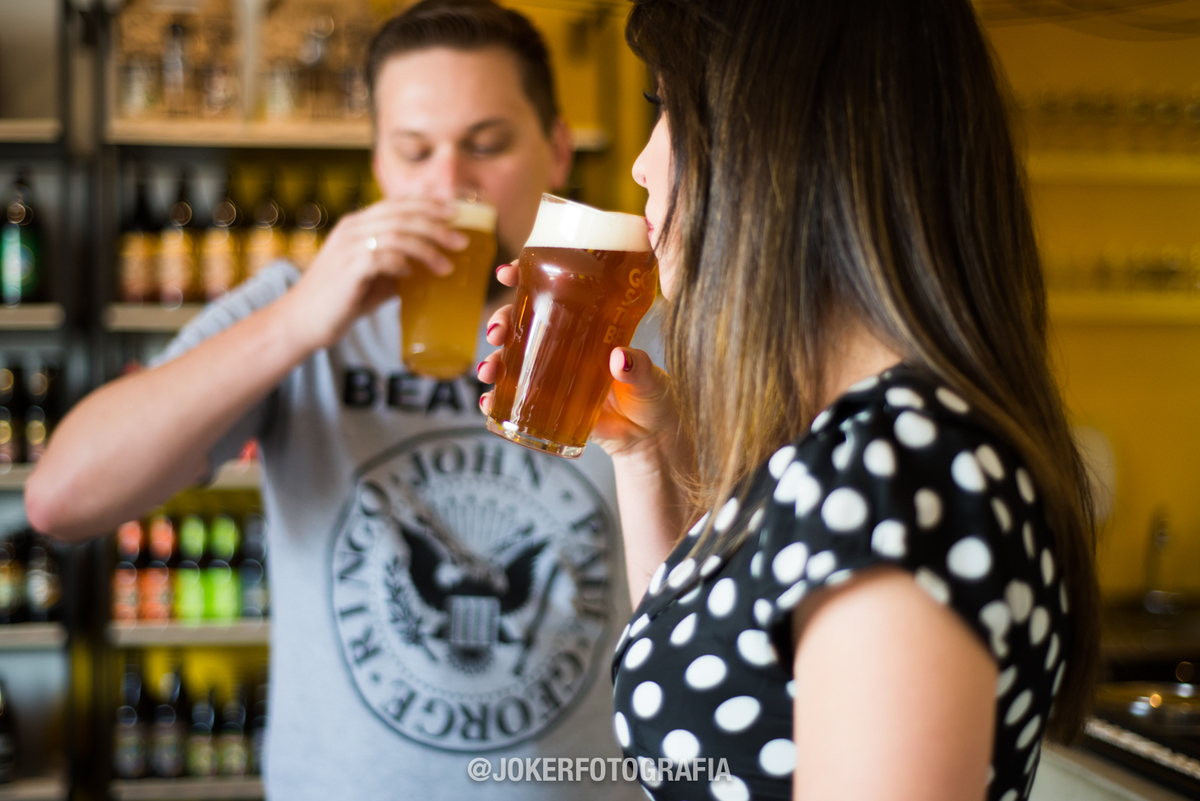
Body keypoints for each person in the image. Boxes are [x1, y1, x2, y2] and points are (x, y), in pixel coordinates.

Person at [479, 0, 1100, 799]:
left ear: (768, 144)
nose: (640, 164)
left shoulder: (895, 469)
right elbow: (722, 680)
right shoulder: (860, 446)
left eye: (665, 109)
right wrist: (644, 453)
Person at [27, 1, 644, 798]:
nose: (450, 183)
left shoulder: (631, 323)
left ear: (556, 148)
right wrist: (299, 321)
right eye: (414, 150)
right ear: (379, 165)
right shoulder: (292, 305)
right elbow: (61, 499)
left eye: (486, 145)